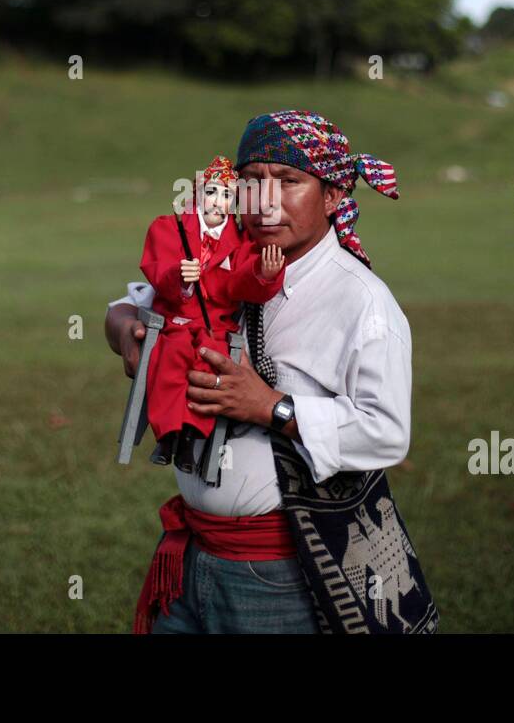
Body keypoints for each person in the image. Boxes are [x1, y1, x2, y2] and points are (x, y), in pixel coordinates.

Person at [106, 109, 416, 634]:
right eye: (251, 183)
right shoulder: (224, 254)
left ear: (334, 196)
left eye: (289, 181)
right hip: (190, 551)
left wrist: (272, 407)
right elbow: (138, 303)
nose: (266, 200)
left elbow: (386, 433)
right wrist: (118, 325)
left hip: (278, 573)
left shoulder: (361, 303)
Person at [138, 154, 286, 473]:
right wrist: (177, 276)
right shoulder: (169, 229)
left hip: (214, 328)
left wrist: (264, 273)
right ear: (198, 194)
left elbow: (239, 284)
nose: (218, 202)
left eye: (227, 196)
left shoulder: (239, 245)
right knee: (171, 358)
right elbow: (155, 267)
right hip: (177, 321)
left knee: (211, 366)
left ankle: (194, 437)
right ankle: (167, 434)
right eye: (212, 192)